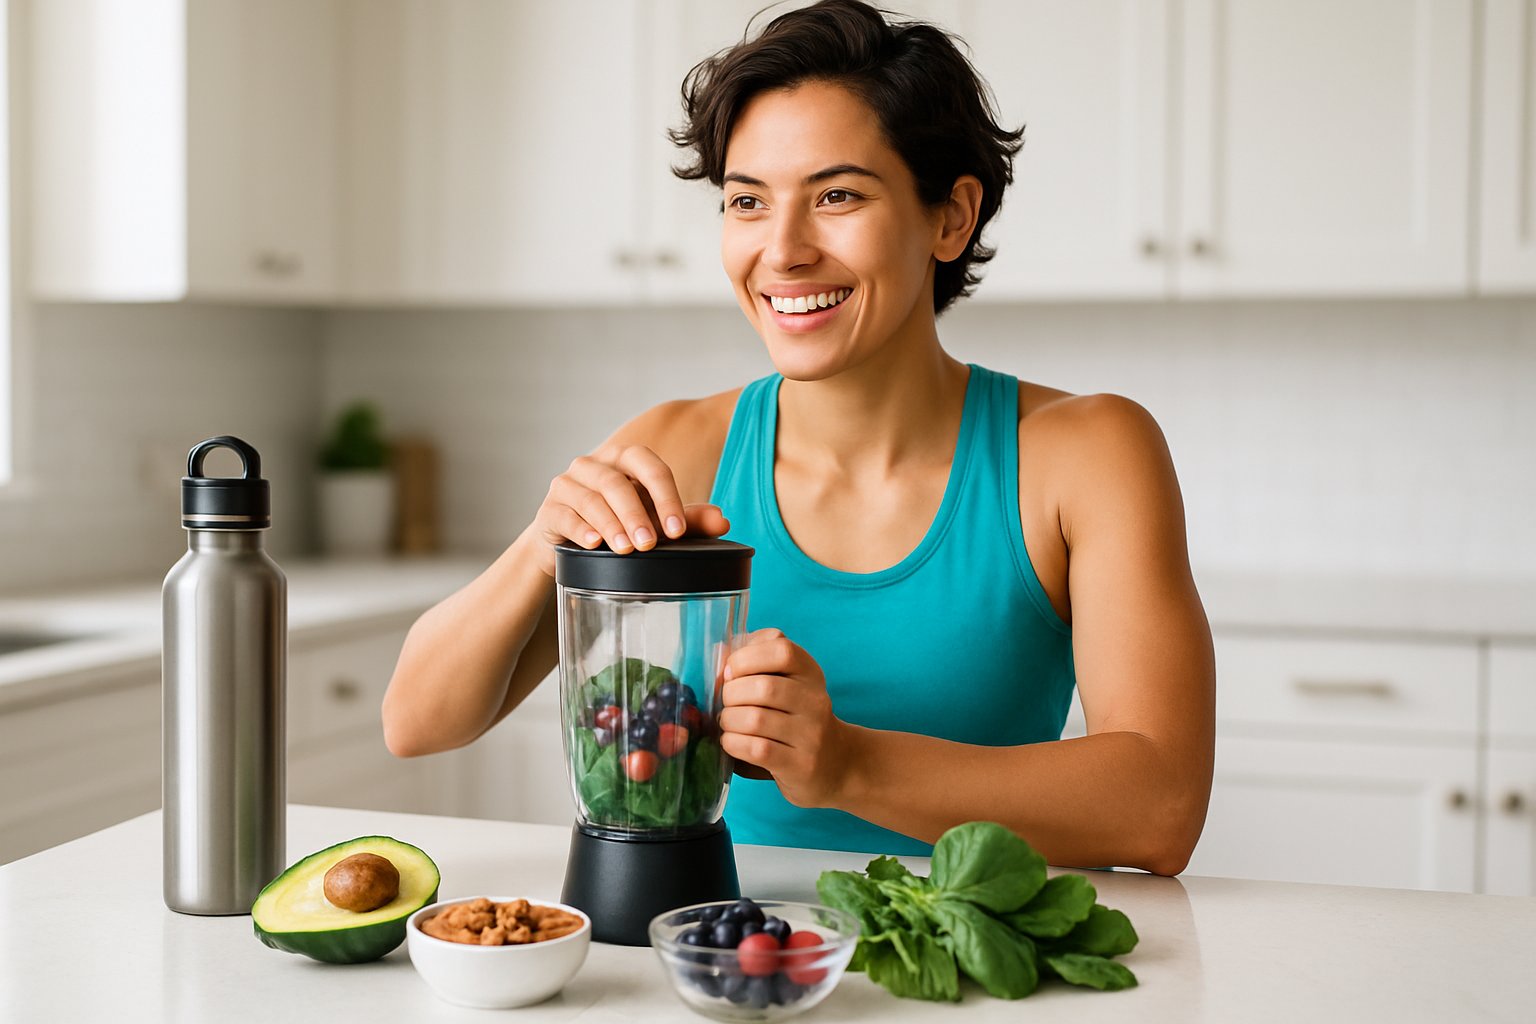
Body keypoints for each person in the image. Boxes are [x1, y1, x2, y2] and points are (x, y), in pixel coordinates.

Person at [382, 0, 1214, 873]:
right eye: (747, 201)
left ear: (950, 218)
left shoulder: (1082, 453)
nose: (782, 251)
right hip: (726, 965)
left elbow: (1159, 809)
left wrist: (850, 764)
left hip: (980, 977)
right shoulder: (679, 454)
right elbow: (418, 721)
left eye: (838, 195)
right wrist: (538, 549)